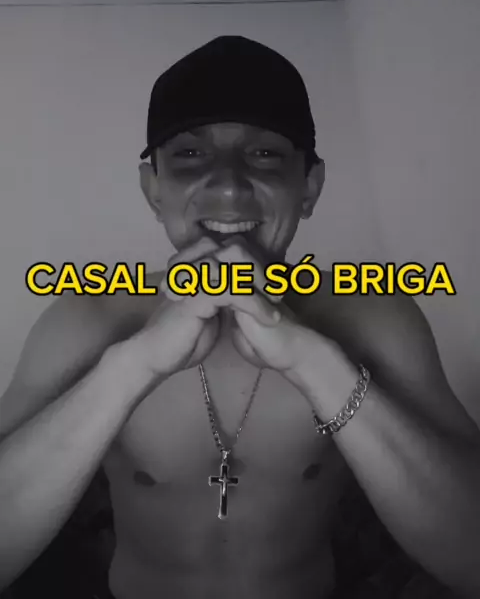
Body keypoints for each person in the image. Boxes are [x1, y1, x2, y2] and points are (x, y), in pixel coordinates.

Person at [0, 35, 479, 599]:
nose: (228, 185)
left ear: (309, 188)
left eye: (265, 155)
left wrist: (314, 363)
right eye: (190, 155)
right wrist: (133, 366)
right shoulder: (86, 315)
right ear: (153, 190)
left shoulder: (375, 315)